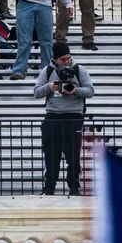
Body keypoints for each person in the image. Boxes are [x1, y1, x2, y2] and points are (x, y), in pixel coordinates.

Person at [34, 40, 94, 196]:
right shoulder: (47, 71)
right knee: (51, 155)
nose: (66, 62)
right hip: (52, 116)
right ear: (55, 59)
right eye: (63, 59)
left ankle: (74, 187)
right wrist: (51, 87)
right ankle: (49, 187)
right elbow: (36, 92)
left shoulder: (79, 70)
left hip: (74, 116)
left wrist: (75, 90)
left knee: (73, 155)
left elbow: (90, 91)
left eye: (68, 58)